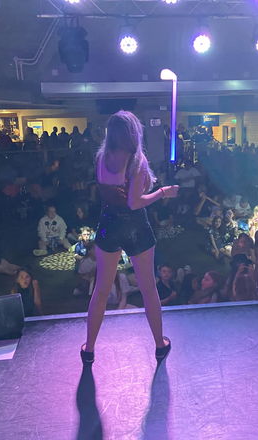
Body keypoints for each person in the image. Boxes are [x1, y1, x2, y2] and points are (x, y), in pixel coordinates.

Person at [81, 110, 179, 365]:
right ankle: (159, 345)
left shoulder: (101, 157)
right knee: (148, 289)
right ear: (134, 133)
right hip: (135, 227)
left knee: (101, 290)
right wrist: (163, 192)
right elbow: (134, 203)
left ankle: (89, 349)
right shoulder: (137, 161)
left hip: (108, 226)